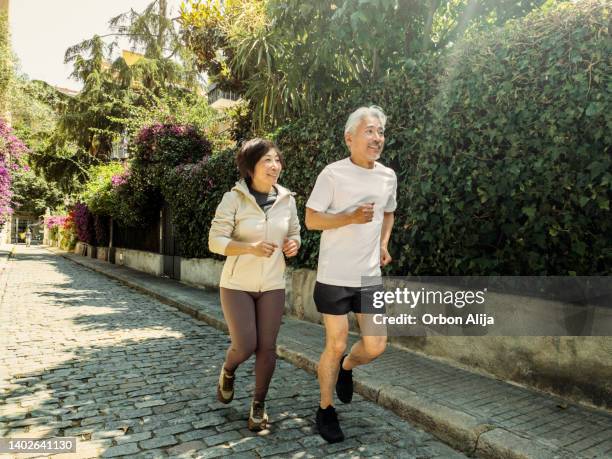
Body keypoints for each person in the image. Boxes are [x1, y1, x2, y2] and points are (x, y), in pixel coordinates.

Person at [305, 106, 397, 443]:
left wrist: (383, 243)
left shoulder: (388, 176)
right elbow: (312, 220)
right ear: (350, 138)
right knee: (337, 341)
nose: (377, 138)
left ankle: (346, 368)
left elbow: (388, 213)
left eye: (380, 132)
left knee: (375, 345)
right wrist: (348, 216)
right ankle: (325, 409)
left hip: (369, 276)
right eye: (369, 131)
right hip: (334, 275)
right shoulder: (332, 174)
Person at [208, 138, 301, 431]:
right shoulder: (233, 199)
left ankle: (258, 404)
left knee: (267, 347)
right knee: (246, 344)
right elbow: (215, 241)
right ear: (251, 167)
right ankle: (228, 369)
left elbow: (295, 233)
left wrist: (293, 245)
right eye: (267, 161)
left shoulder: (287, 199)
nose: (275, 166)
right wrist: (249, 247)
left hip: (272, 283)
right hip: (237, 284)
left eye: (277, 160)